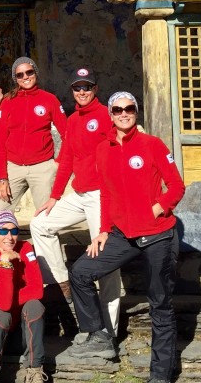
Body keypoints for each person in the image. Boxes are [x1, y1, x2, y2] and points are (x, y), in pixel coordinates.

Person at [68, 92, 186, 383]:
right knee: (81, 272)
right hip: (123, 235)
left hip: (158, 235)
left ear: (136, 112)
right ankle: (98, 333)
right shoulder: (103, 150)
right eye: (118, 109)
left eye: (129, 108)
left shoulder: (152, 144)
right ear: (110, 114)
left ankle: (160, 376)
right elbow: (106, 194)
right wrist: (103, 231)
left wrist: (158, 207)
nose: (124, 113)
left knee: (160, 304)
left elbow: (176, 186)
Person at [29, 67, 121, 335]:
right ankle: (60, 281)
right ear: (72, 91)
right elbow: (67, 159)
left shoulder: (106, 115)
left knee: (105, 260)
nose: (82, 92)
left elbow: (117, 153)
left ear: (96, 89)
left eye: (87, 87)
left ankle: (109, 330)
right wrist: (55, 197)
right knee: (39, 223)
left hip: (101, 195)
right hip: (79, 194)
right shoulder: (72, 120)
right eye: (77, 88)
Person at [0, 210, 46, 383]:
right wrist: (5, 263)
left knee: (35, 305)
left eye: (14, 231)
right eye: (3, 231)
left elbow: (37, 290)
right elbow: (4, 305)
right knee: (1, 313)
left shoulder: (25, 248)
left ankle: (35, 370)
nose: (10, 236)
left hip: (20, 333)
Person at [0, 56, 66, 217]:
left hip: (42, 167)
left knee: (46, 219)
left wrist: (58, 163)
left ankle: (45, 244)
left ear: (35, 73)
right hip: (14, 167)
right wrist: (1, 178)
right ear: (15, 79)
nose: (25, 77)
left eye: (29, 72)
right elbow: (0, 140)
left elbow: (67, 134)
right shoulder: (8, 101)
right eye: (20, 75)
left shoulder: (49, 99)